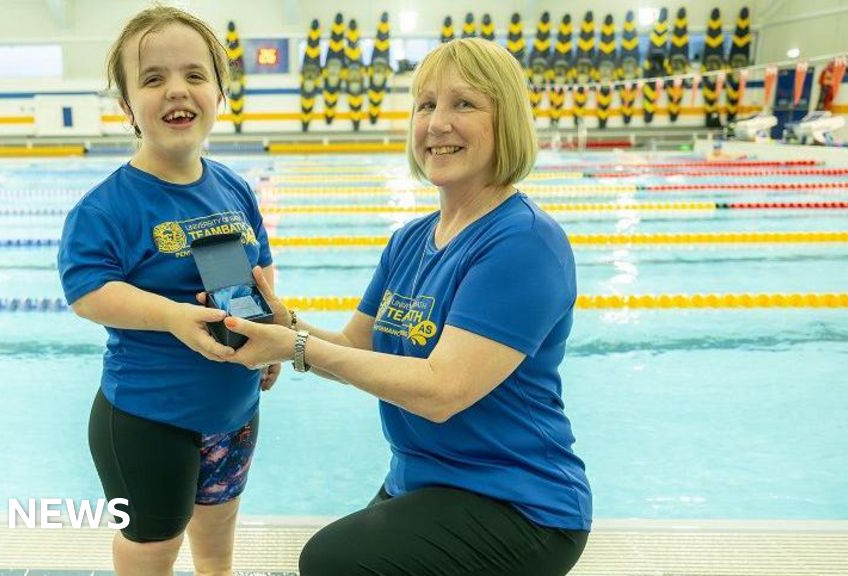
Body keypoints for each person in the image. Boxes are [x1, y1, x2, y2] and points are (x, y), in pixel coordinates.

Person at [214, 37, 591, 576]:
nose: (438, 123)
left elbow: (442, 392)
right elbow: (352, 348)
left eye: (464, 103)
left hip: (520, 504)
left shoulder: (523, 242)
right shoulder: (410, 241)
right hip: (425, 483)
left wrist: (294, 347)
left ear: (505, 119)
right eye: (426, 104)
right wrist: (284, 323)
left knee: (329, 562)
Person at [56, 6, 277, 576]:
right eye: (153, 79)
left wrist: (273, 331)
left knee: (217, 542)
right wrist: (174, 317)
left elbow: (260, 267)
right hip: (148, 419)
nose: (176, 89)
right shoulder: (108, 206)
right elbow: (87, 290)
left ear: (219, 92)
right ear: (128, 106)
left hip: (235, 412)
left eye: (194, 75)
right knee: (151, 550)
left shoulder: (233, 187)